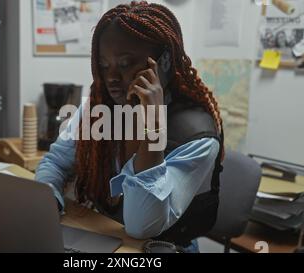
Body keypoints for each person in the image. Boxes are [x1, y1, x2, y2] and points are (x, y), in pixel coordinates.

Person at [35, 1, 224, 253]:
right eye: (104, 65)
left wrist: (153, 128)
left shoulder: (196, 135)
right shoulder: (101, 107)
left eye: (125, 64)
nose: (111, 77)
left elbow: (141, 225)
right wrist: (48, 201)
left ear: (165, 60)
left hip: (160, 249)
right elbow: (56, 163)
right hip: (105, 237)